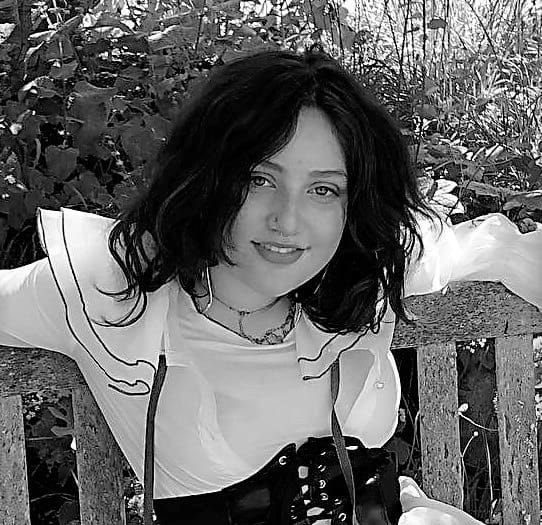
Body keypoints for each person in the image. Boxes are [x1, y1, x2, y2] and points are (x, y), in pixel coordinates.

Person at [0, 44, 541, 525]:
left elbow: (491, 250)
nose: (288, 220)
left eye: (323, 190)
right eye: (260, 179)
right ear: (210, 176)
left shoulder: (357, 272)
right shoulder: (113, 290)